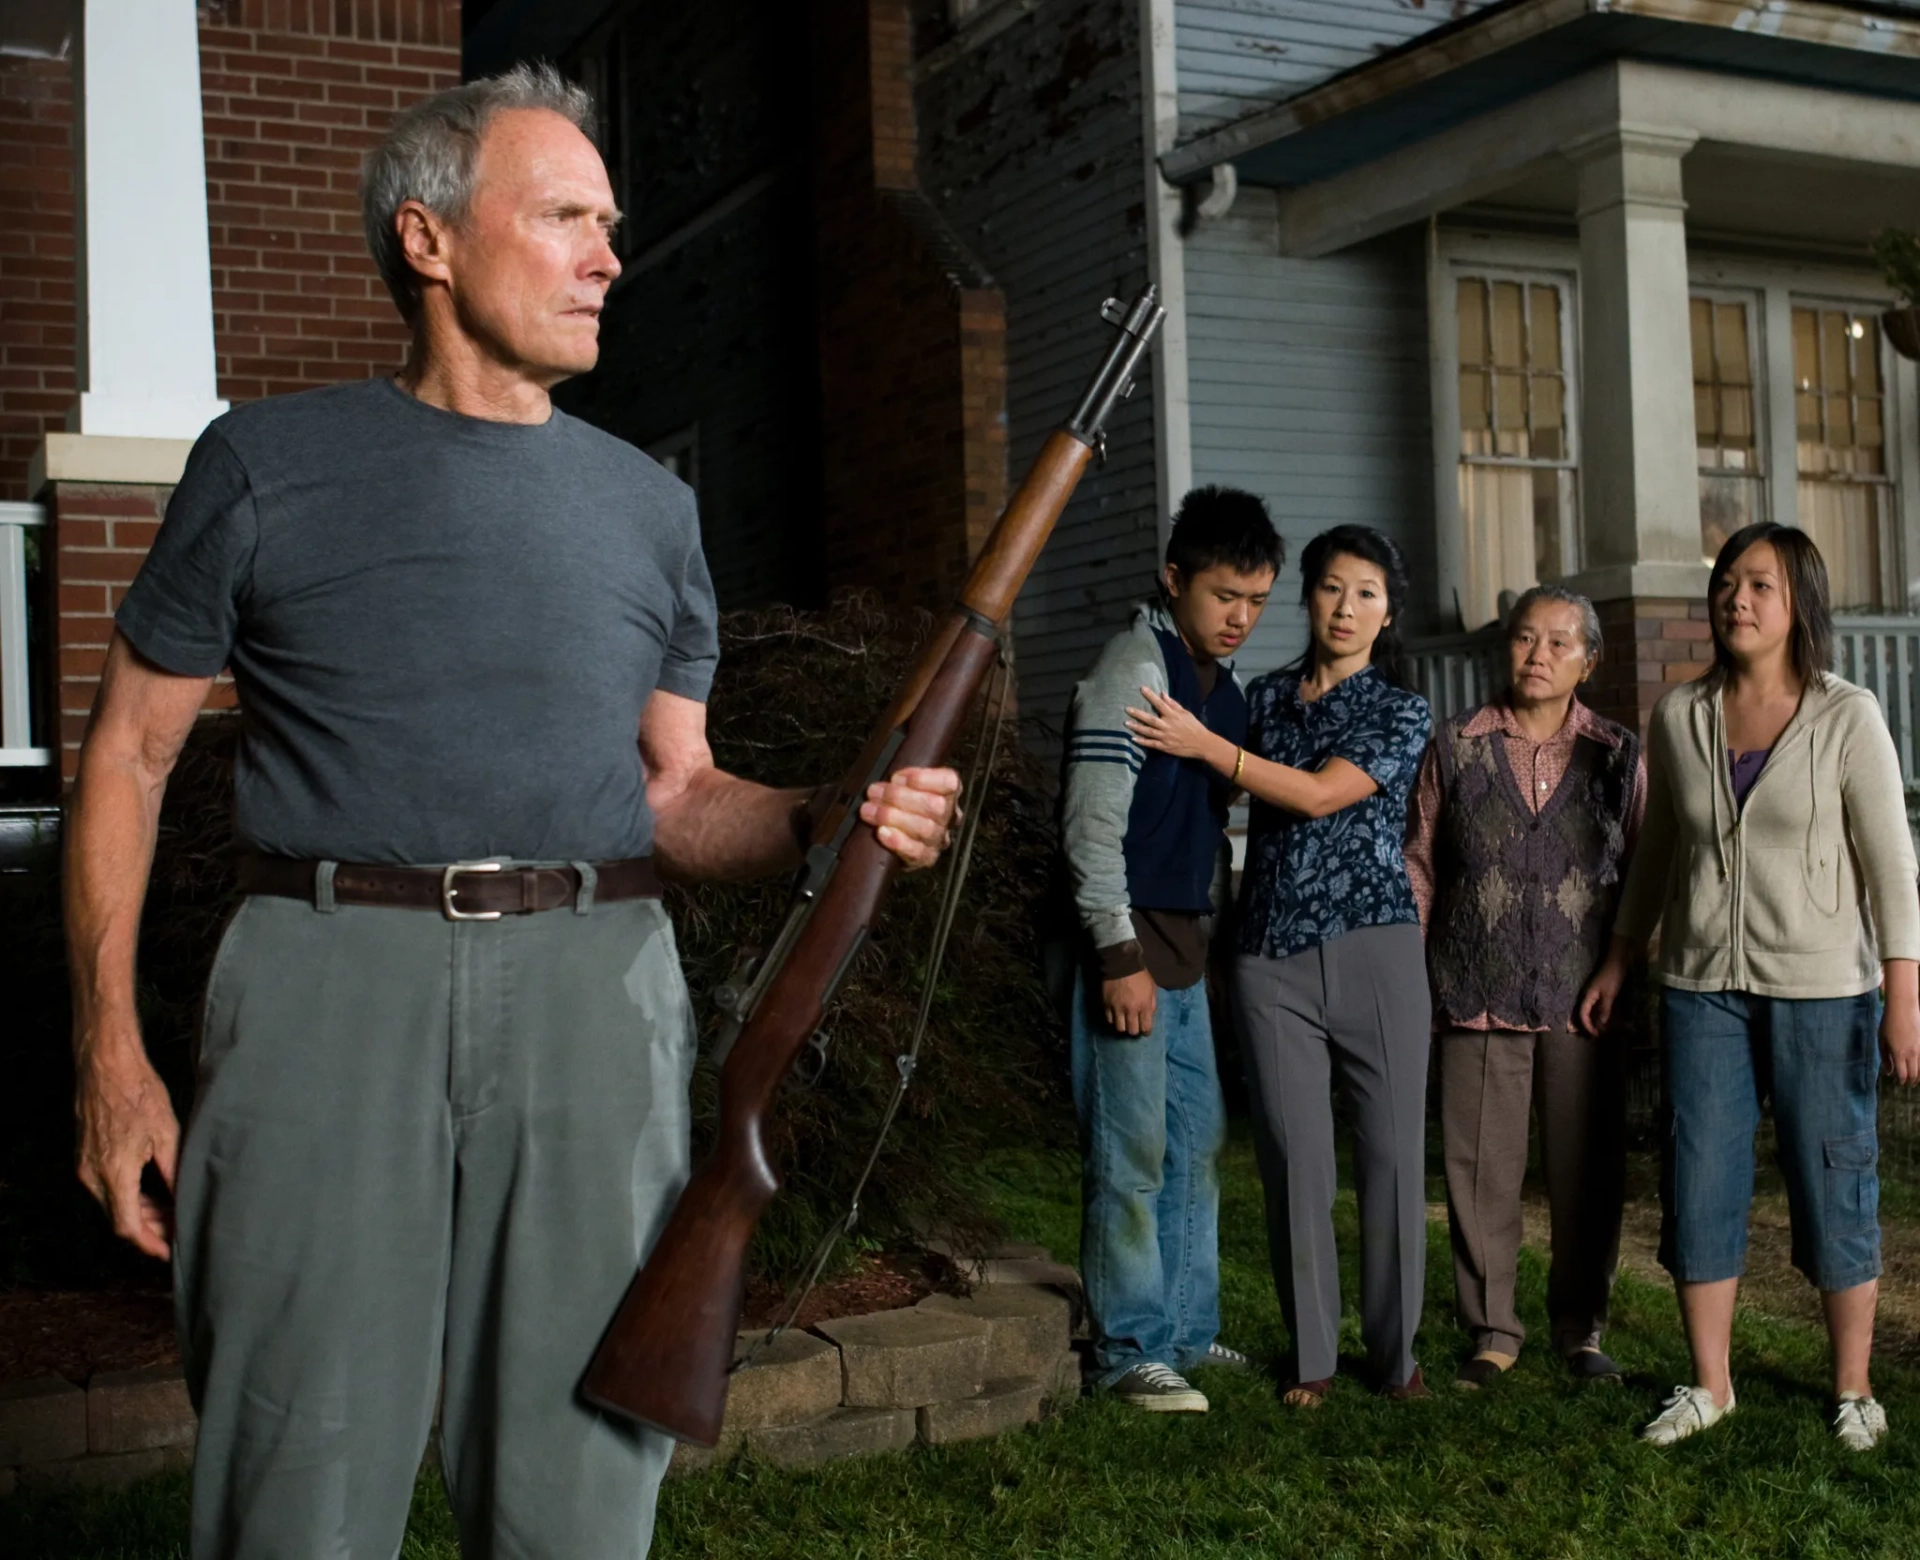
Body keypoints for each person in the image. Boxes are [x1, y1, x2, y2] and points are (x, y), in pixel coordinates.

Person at [65, 66, 959, 1558]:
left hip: (593, 995)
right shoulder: (262, 466)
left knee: (578, 1489)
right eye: (566, 218)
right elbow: (129, 759)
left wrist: (824, 816)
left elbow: (674, 794)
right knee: (297, 1477)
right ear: (428, 240)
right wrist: (110, 1051)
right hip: (324, 984)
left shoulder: (650, 509)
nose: (611, 255)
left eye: (612, 223)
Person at [1580, 522, 1920, 1452]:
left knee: (1833, 1180)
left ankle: (1853, 1388)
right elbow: (1657, 851)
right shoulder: (1680, 715)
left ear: (1798, 602)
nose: (1737, 598)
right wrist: (1621, 955)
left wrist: (1904, 992)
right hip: (1701, 987)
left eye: (1759, 585)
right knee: (1700, 1178)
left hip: (1823, 988)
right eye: (1728, 582)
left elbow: (1891, 864)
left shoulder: (1848, 716)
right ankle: (1710, 1385)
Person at [1128, 524, 1433, 1405]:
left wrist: (1207, 749)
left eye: (1367, 592)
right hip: (1267, 957)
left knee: (1388, 1158)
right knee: (1293, 1160)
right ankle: (1311, 1359)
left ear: (1387, 612)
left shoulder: (1399, 709)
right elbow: (1215, 792)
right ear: (1309, 598)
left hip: (1376, 950)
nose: (1347, 607)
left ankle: (1394, 1351)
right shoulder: (1259, 697)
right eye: (1332, 587)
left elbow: (1317, 793)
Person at [1060, 485, 1281, 1413]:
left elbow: (1203, 831)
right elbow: (1090, 828)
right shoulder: (1132, 669)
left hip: (1187, 948)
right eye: (1224, 595)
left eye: (1257, 602)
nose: (1240, 618)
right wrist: (1118, 958)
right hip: (1129, 943)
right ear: (1174, 578)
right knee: (1133, 1151)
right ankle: (1129, 1350)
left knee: (1198, 1143)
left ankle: (1187, 1332)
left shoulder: (1222, 694)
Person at [1404, 586, 1644, 1392]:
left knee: (1587, 1168)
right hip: (1476, 980)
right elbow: (1420, 863)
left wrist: (1620, 964)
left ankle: (1581, 1329)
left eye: (1558, 642)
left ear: (1588, 660)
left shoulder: (1618, 754)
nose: (1537, 655)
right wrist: (1414, 968)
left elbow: (1645, 874)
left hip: (1586, 998)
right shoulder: (1458, 745)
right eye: (1523, 639)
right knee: (1480, 1168)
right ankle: (1492, 1332)